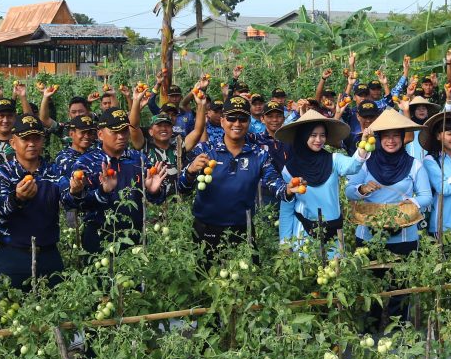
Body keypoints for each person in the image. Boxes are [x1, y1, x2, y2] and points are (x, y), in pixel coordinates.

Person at [177, 96, 287, 257]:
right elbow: (182, 188)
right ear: (222, 121)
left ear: (248, 123)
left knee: (247, 279)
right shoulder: (205, 150)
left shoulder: (259, 155)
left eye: (242, 119)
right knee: (205, 278)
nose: (237, 123)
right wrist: (190, 171)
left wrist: (288, 190)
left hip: (243, 230)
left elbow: (274, 183)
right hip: (206, 229)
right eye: (231, 118)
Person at [0, 115, 84, 289]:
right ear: (13, 143)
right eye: (25, 139)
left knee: (56, 309)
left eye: (36, 138)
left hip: (48, 254)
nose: (31, 143)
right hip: (13, 255)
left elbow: (68, 200)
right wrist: (17, 199)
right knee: (5, 308)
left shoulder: (53, 171)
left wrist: (75, 191)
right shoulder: (2, 174)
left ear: (43, 141)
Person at [72, 108, 167, 254]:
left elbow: (157, 199)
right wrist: (102, 192)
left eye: (124, 131)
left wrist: (154, 192)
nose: (121, 136)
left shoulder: (138, 159)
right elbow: (79, 204)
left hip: (135, 235)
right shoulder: (86, 163)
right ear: (100, 134)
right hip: (100, 236)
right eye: (115, 132)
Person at [345, 109, 434, 254]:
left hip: (404, 238)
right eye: (386, 136)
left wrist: (412, 203)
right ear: (379, 138)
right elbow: (349, 191)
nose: (391, 141)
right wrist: (362, 189)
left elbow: (426, 196)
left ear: (403, 137)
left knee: (403, 275)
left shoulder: (414, 165)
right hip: (368, 236)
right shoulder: (366, 162)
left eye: (396, 136)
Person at [275, 109, 367, 245]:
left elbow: (353, 166)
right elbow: (287, 208)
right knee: (308, 266)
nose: (318, 140)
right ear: (303, 136)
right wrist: (285, 243)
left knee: (336, 265)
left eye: (322, 135)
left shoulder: (333, 160)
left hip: (334, 230)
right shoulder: (290, 169)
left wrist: (364, 145)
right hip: (304, 233)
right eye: (313, 135)